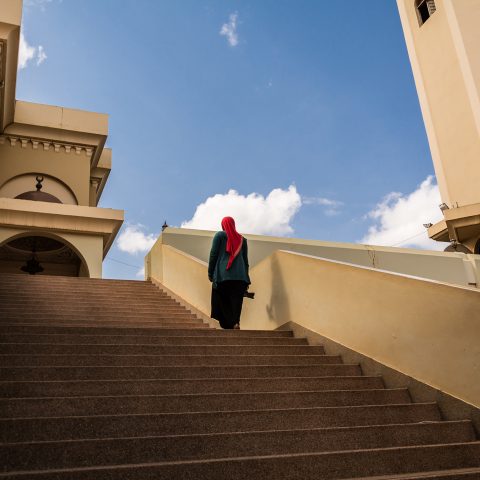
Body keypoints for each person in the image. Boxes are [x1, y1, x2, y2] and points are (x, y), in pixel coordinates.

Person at [208, 217, 250, 329]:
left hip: (223, 275)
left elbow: (213, 254)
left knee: (223, 300)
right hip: (240, 277)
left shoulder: (219, 236)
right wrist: (247, 279)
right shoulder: (243, 240)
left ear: (223, 225)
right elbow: (245, 261)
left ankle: (228, 323)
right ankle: (236, 322)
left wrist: (210, 273)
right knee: (236, 301)